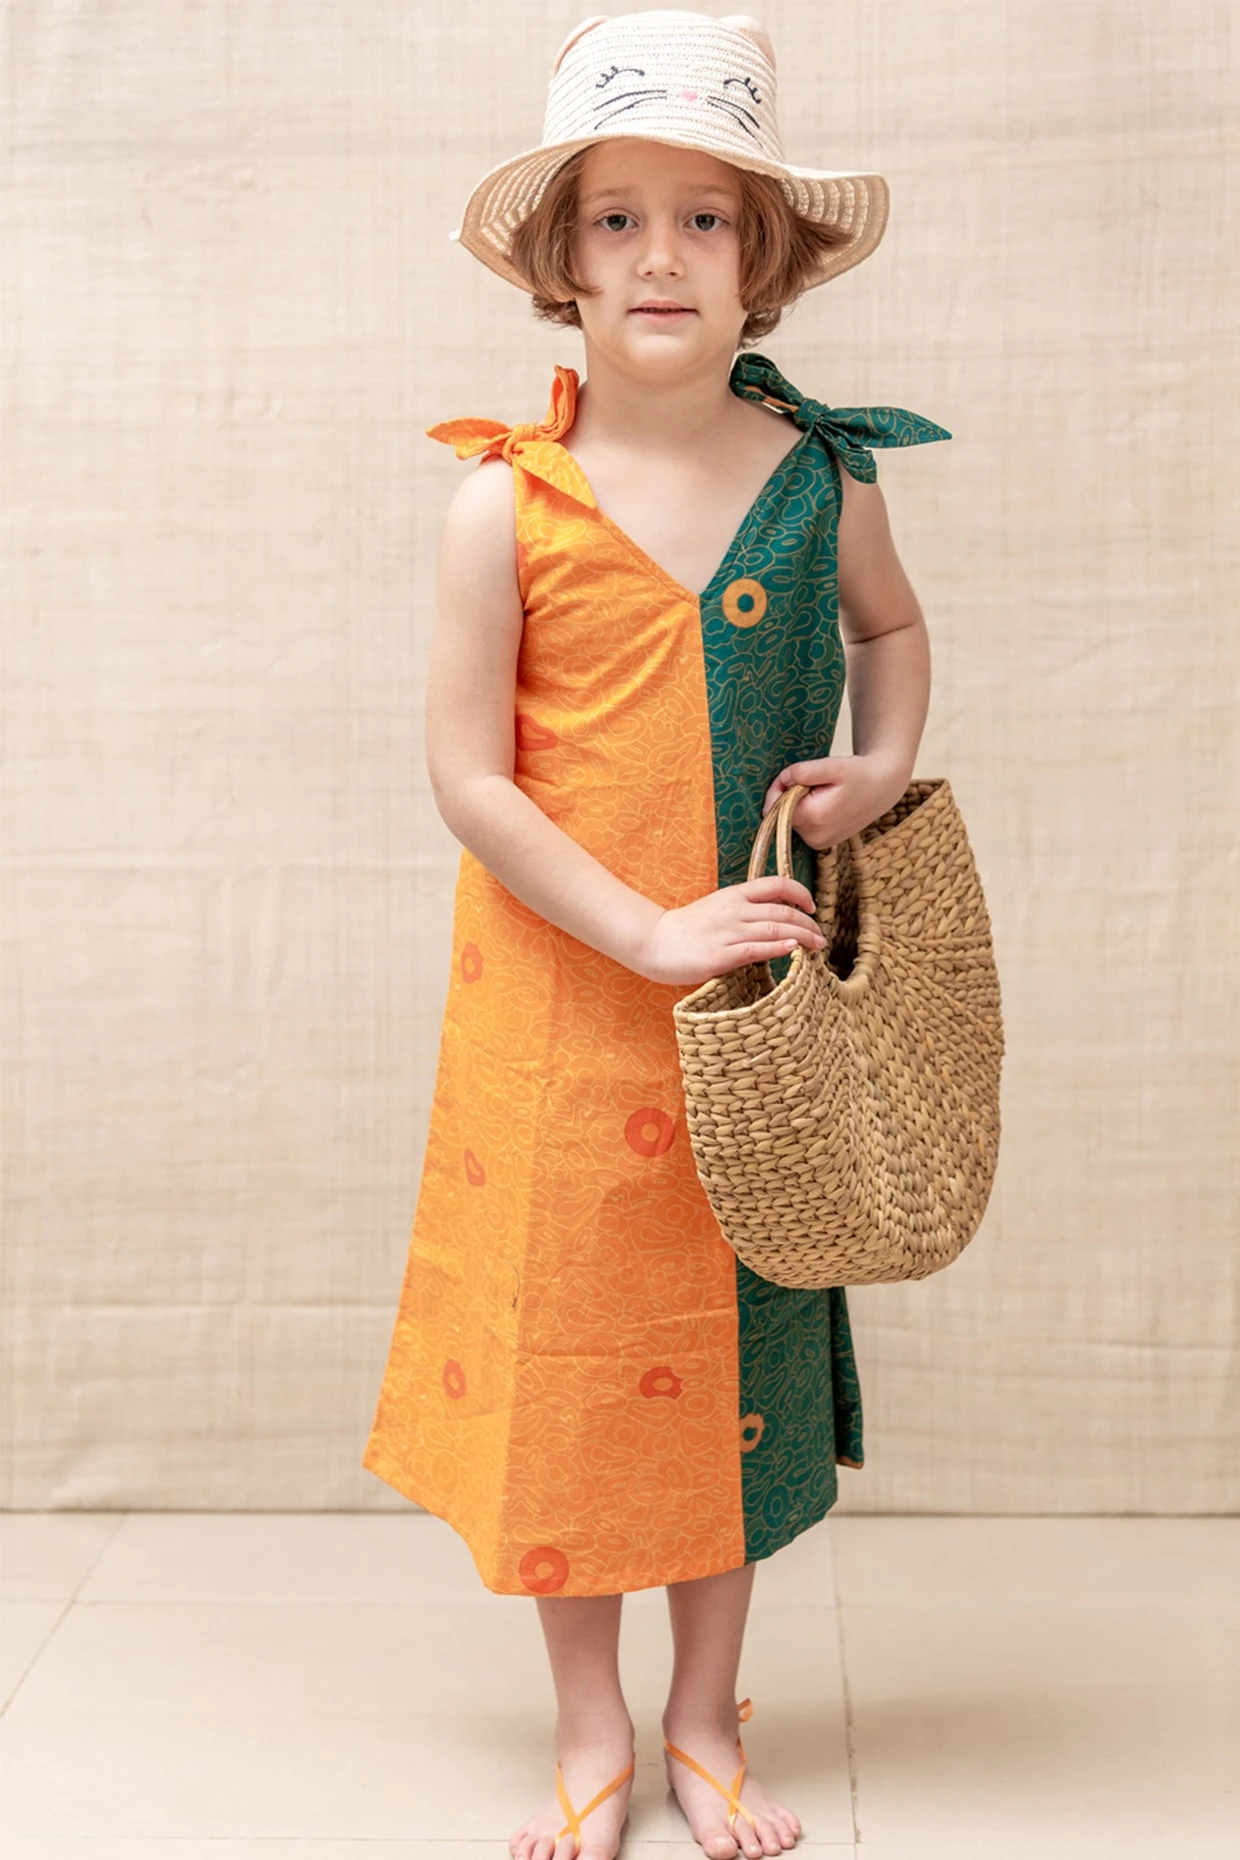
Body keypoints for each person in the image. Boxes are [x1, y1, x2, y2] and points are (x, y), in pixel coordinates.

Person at [362, 12, 951, 1859]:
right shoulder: (502, 507)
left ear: (765, 264)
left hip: (754, 1009)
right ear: (564, 265)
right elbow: (469, 776)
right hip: (566, 1005)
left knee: (736, 1360)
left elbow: (891, 635)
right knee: (578, 1358)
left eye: (706, 219)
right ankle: (590, 1718)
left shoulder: (826, 478)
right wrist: (638, 926)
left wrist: (880, 765)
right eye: (618, 220)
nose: (661, 256)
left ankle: (706, 1710)